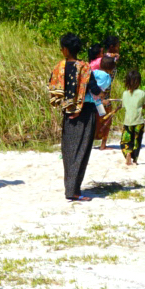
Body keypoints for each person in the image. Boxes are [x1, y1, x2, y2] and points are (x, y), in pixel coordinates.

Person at [49, 33, 96, 201]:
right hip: (85, 113)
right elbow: (93, 87)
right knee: (81, 151)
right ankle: (74, 191)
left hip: (68, 113)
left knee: (68, 151)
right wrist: (102, 96)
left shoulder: (59, 68)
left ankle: (70, 189)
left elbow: (52, 85)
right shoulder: (84, 67)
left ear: (66, 50)